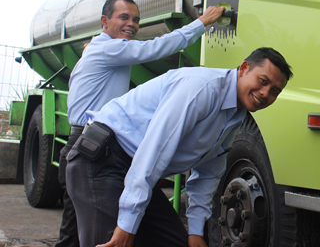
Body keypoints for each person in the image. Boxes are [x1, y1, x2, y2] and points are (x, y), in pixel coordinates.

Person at [65, 47, 292, 247]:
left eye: (275, 91)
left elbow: (208, 173)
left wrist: (195, 232)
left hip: (135, 169)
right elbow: (154, 151)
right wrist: (127, 225)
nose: (265, 94)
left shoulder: (235, 115)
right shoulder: (203, 89)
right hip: (103, 160)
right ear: (243, 68)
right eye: (263, 81)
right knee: (114, 242)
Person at [54, 0, 224, 247]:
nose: (131, 24)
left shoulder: (100, 48)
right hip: (92, 145)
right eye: (124, 17)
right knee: (89, 235)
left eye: (136, 19)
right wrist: (201, 22)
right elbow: (155, 47)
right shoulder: (108, 48)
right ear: (104, 21)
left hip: (89, 142)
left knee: (73, 233)